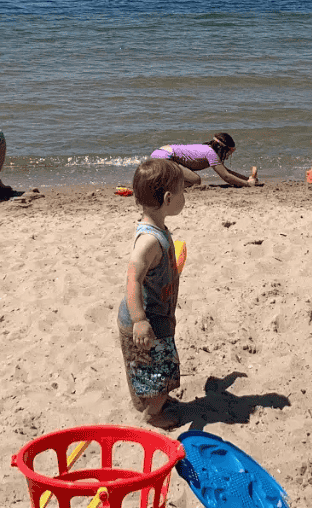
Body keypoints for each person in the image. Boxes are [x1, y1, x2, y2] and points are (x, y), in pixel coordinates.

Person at [117, 157, 185, 429]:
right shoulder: (148, 240)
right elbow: (133, 278)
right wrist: (140, 320)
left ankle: (151, 402)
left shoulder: (157, 228)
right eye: (182, 192)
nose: (184, 197)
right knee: (157, 370)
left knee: (149, 367)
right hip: (145, 319)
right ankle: (152, 414)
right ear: (169, 198)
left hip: (156, 313)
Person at [150, 132, 260, 187]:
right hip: (163, 157)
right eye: (229, 151)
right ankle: (163, 186)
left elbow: (226, 172)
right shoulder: (210, 153)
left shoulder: (209, 151)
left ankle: (161, 182)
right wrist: (247, 184)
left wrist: (247, 179)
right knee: (195, 180)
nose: (229, 155)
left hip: (159, 154)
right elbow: (226, 176)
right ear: (222, 148)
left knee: (193, 180)